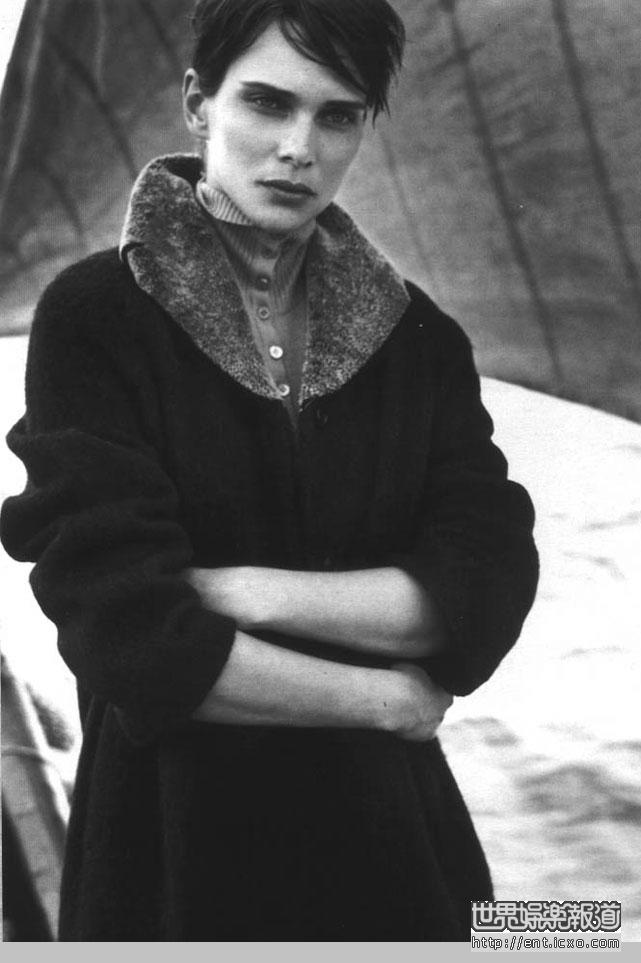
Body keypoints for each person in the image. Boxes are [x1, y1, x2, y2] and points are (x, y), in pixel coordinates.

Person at [0, 0, 538, 941]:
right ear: (197, 102)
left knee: (568, 930)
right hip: (171, 868)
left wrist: (242, 590)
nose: (298, 147)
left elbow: (484, 590)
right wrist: (387, 700)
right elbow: (129, 637)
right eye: (267, 102)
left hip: (399, 859)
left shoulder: (421, 340)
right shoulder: (94, 317)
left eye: (338, 115)